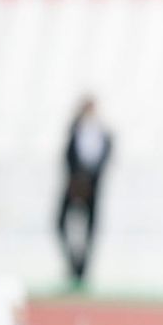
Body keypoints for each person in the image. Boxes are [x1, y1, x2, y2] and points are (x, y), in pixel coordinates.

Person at [57, 97, 112, 289]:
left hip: (93, 187)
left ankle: (83, 271)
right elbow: (67, 156)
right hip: (73, 184)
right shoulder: (74, 129)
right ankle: (72, 264)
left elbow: (105, 159)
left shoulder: (104, 133)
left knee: (91, 229)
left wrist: (90, 180)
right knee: (60, 223)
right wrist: (77, 179)